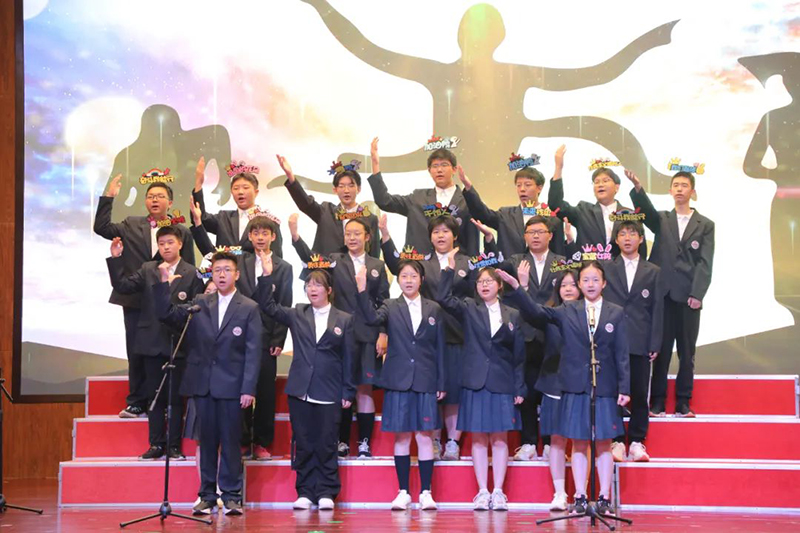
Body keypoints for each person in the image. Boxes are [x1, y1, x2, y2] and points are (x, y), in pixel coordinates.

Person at [499, 261, 630, 515]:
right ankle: (580, 496)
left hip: (604, 386)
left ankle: (604, 497)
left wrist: (624, 387)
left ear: (604, 283)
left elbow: (621, 353)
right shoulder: (567, 310)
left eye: (595, 280)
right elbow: (536, 313)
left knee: (604, 443)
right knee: (579, 442)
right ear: (580, 284)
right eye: (586, 280)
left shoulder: (615, 312)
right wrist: (517, 288)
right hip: (574, 386)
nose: (590, 284)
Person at [155, 250, 263, 516]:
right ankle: (206, 495)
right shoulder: (200, 303)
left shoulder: (249, 307)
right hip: (203, 385)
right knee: (207, 443)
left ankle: (232, 496)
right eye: (217, 271)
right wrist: (163, 286)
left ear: (237, 274)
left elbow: (253, 352)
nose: (222, 275)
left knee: (231, 443)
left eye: (227, 270)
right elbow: (166, 314)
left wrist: (248, 388)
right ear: (211, 274)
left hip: (233, 387)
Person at [190, 202, 293, 460]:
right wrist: (199, 224)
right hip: (237, 336)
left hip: (267, 337)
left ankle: (262, 442)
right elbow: (211, 253)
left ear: (273, 236)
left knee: (265, 393)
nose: (260, 237)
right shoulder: (239, 262)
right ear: (248, 236)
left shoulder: (284, 267)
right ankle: (243, 440)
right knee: (241, 391)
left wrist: (279, 338)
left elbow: (285, 303)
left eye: (265, 233)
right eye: (255, 233)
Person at [255, 259, 356, 511]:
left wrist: (348, 390)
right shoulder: (297, 313)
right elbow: (267, 306)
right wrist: (266, 276)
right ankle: (305, 491)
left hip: (330, 390)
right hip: (301, 390)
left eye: (318, 285)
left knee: (326, 443)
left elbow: (349, 358)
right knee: (303, 441)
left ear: (328, 290)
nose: (312, 289)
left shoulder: (344, 319)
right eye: (309, 285)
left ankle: (326, 491)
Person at [380, 214, 482, 461]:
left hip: (458, 333)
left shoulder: (467, 262)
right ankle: (434, 440)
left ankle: (453, 442)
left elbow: (478, 293)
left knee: (453, 390)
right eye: (436, 232)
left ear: (455, 235)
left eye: (446, 231)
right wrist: (385, 236)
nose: (440, 236)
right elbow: (397, 266)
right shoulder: (422, 262)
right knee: (429, 389)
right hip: (425, 337)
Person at [288, 214, 389, 459]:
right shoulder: (334, 260)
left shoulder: (377, 265)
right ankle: (341, 441)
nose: (352, 238)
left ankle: (364, 443)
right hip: (339, 334)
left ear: (367, 237)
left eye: (357, 233)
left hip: (367, 334)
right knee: (340, 387)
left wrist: (383, 332)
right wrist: (296, 237)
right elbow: (310, 261)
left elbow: (384, 301)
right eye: (348, 234)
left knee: (364, 390)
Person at [94, 178, 195, 418]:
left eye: (160, 196)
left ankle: (166, 402)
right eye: (150, 196)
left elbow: (189, 266)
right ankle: (137, 401)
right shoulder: (131, 224)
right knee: (137, 351)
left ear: (170, 202)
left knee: (169, 351)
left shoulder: (180, 231)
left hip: (170, 303)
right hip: (136, 299)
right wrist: (109, 197)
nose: (154, 200)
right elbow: (101, 227)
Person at [107, 225, 204, 461]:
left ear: (180, 244)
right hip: (151, 342)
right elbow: (122, 286)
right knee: (155, 396)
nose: (166, 247)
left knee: (175, 399)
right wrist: (116, 259)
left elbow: (195, 305)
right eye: (161, 244)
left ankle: (174, 446)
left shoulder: (192, 273)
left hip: (178, 343)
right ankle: (156, 444)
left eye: (170, 243)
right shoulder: (148, 269)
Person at [437, 254, 525, 511]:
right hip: (475, 381)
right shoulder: (469, 308)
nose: (484, 285)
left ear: (500, 285)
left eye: (489, 281)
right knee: (478, 439)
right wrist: (448, 271)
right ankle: (482, 491)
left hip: (502, 382)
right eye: (480, 281)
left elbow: (519, 355)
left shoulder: (513, 314)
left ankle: (498, 491)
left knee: (499, 439)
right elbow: (443, 298)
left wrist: (519, 387)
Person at [355, 260, 445, 511]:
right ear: (398, 280)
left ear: (421, 280)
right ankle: (403, 491)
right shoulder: (390, 306)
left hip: (425, 379)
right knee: (402, 437)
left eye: (413, 276)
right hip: (398, 380)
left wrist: (441, 382)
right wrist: (362, 290)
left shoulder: (434, 308)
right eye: (404, 276)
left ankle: (426, 492)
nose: (408, 280)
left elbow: (440, 348)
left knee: (425, 437)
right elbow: (371, 318)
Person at [626, 169, 714, 418]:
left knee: (687, 352)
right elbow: (646, 212)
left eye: (684, 185)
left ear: (692, 192)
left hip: (688, 297)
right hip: (662, 295)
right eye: (675, 185)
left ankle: (683, 402)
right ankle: (657, 401)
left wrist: (697, 294)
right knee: (661, 351)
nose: (679, 189)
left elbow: (705, 262)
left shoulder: (706, 225)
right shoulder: (662, 219)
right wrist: (638, 188)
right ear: (670, 190)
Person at [503, 216, 565, 461]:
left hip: (553, 332)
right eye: (531, 232)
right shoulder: (515, 261)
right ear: (525, 236)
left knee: (551, 391)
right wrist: (523, 287)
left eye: (540, 231)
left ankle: (550, 442)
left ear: (550, 235)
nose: (536, 236)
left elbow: (564, 295)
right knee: (526, 391)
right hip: (525, 332)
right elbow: (508, 297)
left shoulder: (561, 262)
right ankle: (528, 442)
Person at [604, 220, 663, 462]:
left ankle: (637, 441)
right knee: (613, 391)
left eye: (632, 234)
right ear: (616, 239)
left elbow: (658, 309)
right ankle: (617, 440)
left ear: (640, 238)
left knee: (639, 392)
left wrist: (655, 342)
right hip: (611, 340)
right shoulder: (606, 268)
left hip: (640, 339)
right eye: (622, 234)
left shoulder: (653, 271)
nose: (627, 238)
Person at [368, 137, 479, 256]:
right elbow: (384, 201)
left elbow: (473, 242)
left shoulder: (467, 201)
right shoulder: (417, 198)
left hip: (456, 264)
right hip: (419, 264)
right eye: (435, 166)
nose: (439, 170)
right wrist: (375, 164)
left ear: (454, 169)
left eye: (444, 165)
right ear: (429, 170)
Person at [533, 269, 582, 511]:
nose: (568, 289)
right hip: (554, 384)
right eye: (563, 285)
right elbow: (531, 311)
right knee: (556, 440)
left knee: (581, 440)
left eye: (573, 284)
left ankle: (582, 493)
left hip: (581, 385)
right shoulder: (550, 315)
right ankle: (560, 493)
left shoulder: (590, 314)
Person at [459, 150, 569, 257]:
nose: (522, 189)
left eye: (527, 185)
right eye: (518, 185)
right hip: (510, 268)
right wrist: (468, 187)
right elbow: (483, 214)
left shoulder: (552, 218)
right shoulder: (505, 215)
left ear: (539, 188)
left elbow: (558, 253)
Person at [547, 146, 647, 258]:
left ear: (616, 187)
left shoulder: (629, 215)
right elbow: (555, 204)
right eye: (596, 182)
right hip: (590, 267)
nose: (600, 185)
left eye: (606, 181)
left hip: (621, 268)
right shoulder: (583, 211)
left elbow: (640, 251)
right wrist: (558, 168)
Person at [279, 154, 381, 258]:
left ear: (358, 189)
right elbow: (306, 204)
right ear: (335, 190)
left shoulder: (370, 219)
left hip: (358, 267)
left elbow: (374, 255)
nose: (346, 190)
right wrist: (290, 176)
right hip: (327, 266)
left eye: (351, 186)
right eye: (341, 186)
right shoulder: (326, 211)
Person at [192, 157, 284, 256]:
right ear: (232, 192)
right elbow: (200, 218)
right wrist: (198, 184)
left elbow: (277, 257)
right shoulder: (223, 218)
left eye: (245, 188)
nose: (240, 192)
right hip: (225, 265)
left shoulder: (269, 221)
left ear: (256, 192)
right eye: (236, 188)